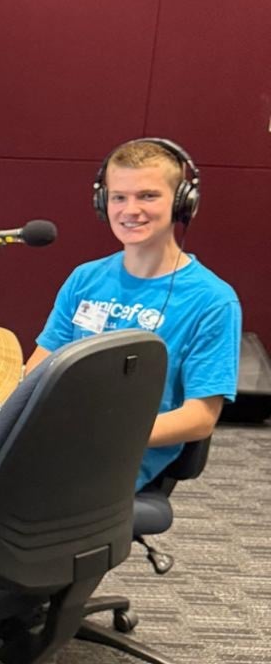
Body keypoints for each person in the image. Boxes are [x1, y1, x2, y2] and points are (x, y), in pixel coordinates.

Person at [26, 139, 240, 490]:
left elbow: (200, 418)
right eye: (119, 197)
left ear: (182, 203)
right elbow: (39, 367)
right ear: (102, 203)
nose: (130, 210)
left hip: (116, 461)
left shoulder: (213, 300)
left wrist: (102, 436)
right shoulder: (85, 278)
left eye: (148, 196)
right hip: (52, 441)